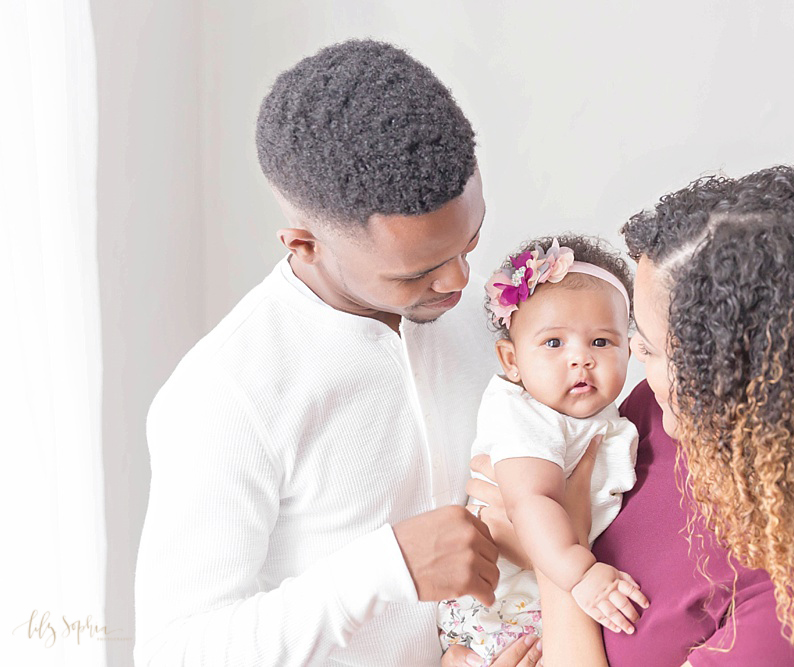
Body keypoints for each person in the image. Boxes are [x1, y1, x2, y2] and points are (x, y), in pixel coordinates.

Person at [452, 166, 794, 667]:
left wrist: (558, 559)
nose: (633, 356)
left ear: (738, 378)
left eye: (653, 349)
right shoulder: (651, 421)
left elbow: (550, 543)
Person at [133, 40, 542, 667]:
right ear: (304, 244)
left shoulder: (489, 317)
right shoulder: (227, 392)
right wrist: (385, 568)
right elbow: (176, 651)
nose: (460, 281)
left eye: (472, 238)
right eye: (417, 274)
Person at [439, 236, 645, 662]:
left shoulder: (601, 415)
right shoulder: (525, 416)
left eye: (601, 343)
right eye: (554, 343)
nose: (580, 360)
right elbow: (530, 501)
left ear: (630, 348)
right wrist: (582, 573)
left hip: (543, 594)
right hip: (503, 605)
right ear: (511, 361)